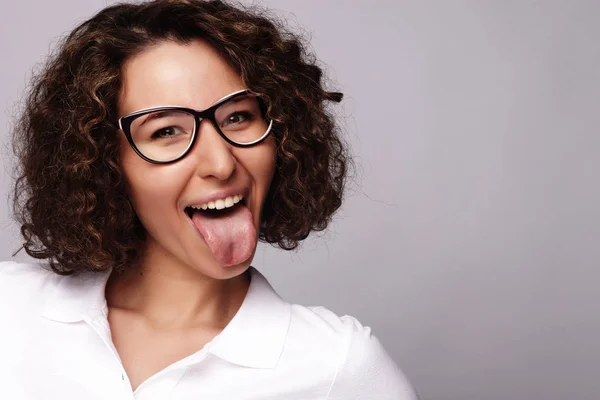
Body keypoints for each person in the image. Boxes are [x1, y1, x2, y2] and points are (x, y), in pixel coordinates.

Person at [1, 0, 418, 398]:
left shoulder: (336, 365)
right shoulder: (10, 311)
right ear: (103, 162)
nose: (221, 163)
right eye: (166, 131)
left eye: (238, 117)